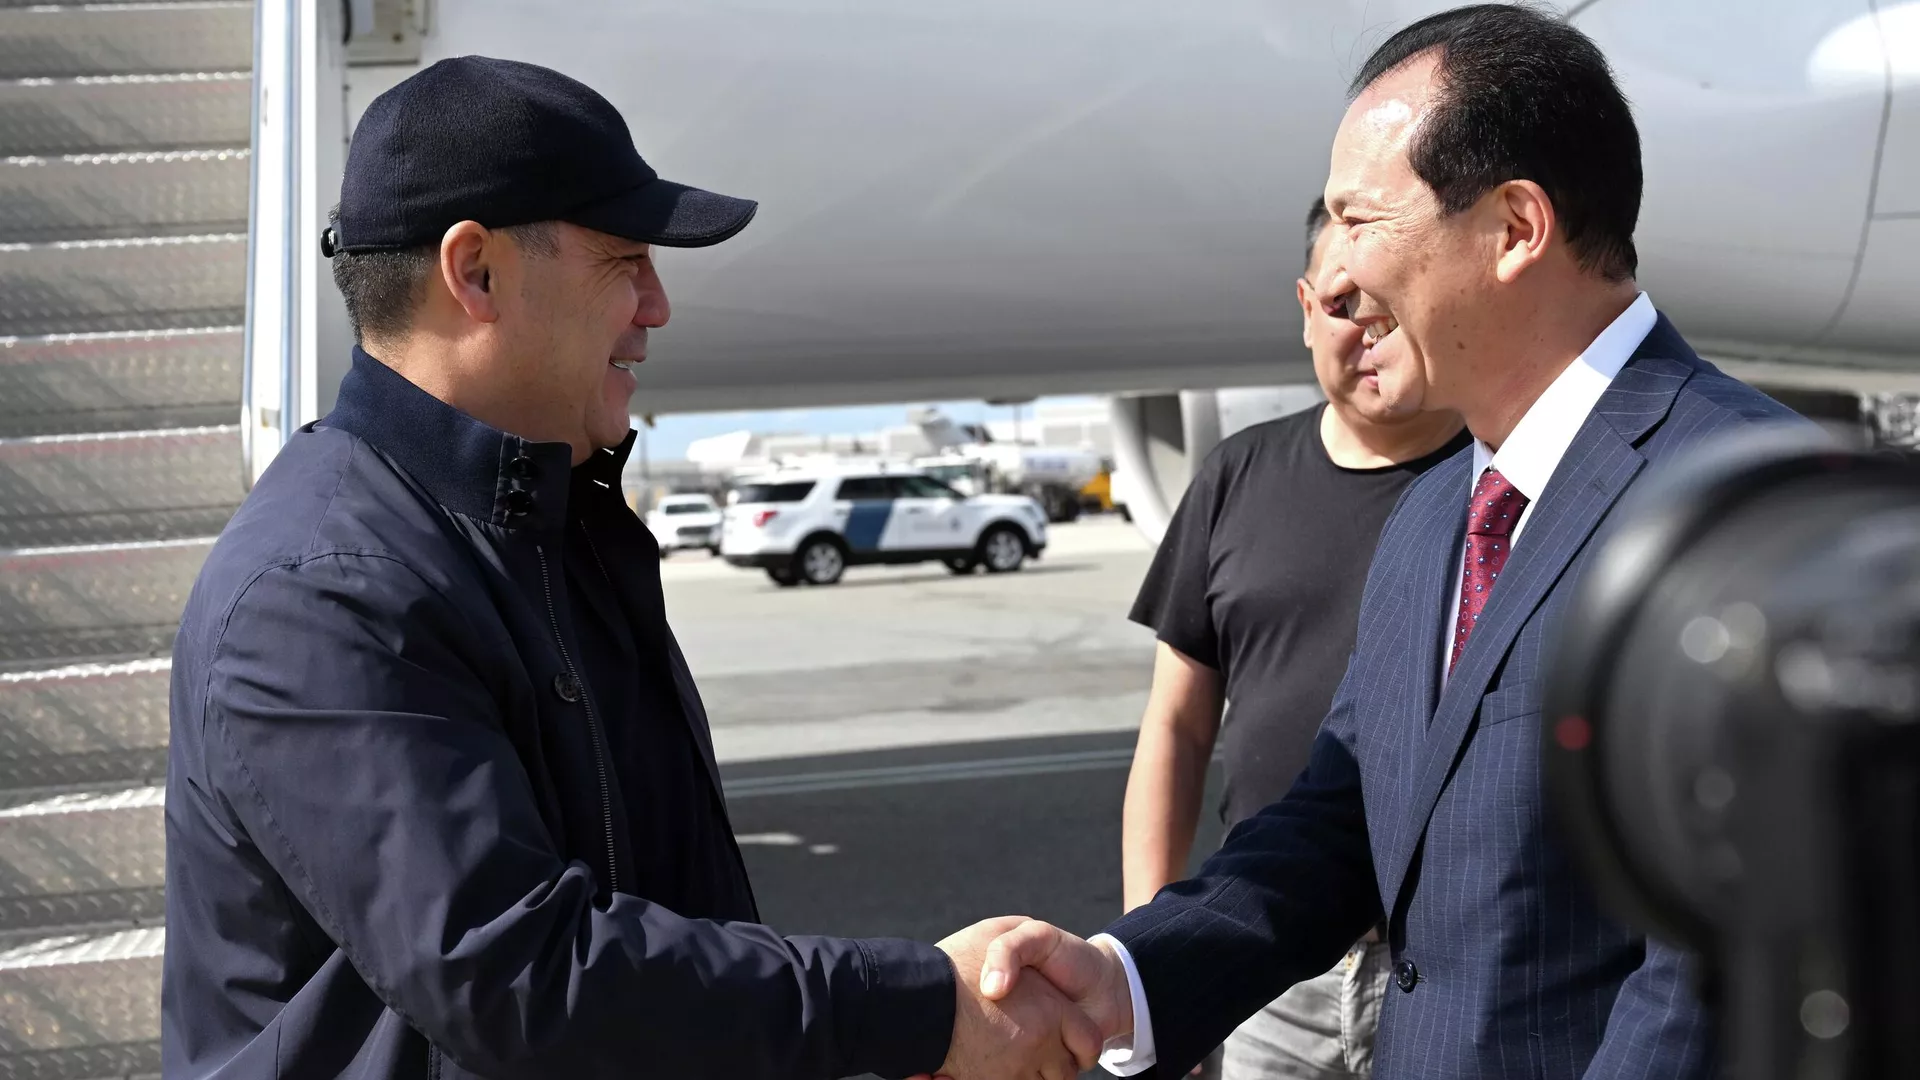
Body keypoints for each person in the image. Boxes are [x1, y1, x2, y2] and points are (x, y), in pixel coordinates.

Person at [162, 56, 1095, 1080]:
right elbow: (518, 974)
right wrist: (919, 1010)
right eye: (625, 261)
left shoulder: (549, 529)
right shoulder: (321, 590)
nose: (657, 306)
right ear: (476, 273)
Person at [964, 7, 1808, 1079]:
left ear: (1515, 228)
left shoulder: (1746, 503)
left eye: (1360, 221)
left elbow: (1721, 974)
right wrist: (1127, 977)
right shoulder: (1436, 516)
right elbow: (1343, 820)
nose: (1335, 280)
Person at [1119, 199, 1465, 1080]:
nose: (1371, 327)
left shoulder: (1503, 486)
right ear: (1306, 308)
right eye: (1346, 303)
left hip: (1450, 967)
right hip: (1267, 963)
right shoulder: (1236, 476)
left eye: (1395, 301)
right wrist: (1159, 961)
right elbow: (1176, 728)